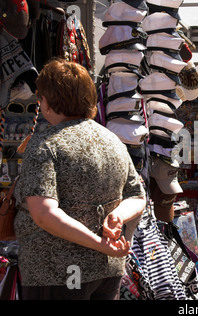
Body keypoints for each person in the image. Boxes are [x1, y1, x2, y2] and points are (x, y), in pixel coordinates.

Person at [13, 59, 146, 300]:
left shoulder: (45, 145)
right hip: (107, 270)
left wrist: (98, 243)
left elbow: (44, 214)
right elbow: (137, 197)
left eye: (40, 97)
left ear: (48, 103)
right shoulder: (112, 140)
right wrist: (118, 217)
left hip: (57, 271)